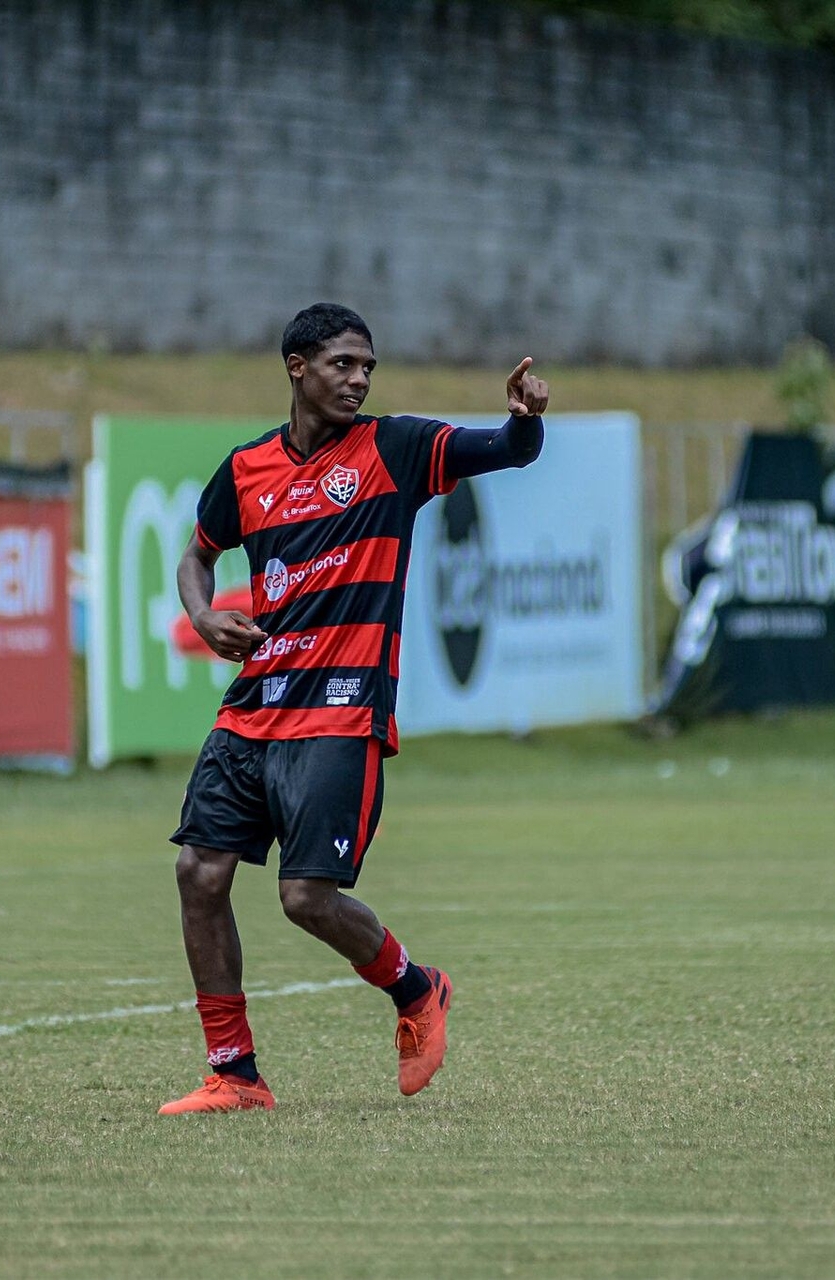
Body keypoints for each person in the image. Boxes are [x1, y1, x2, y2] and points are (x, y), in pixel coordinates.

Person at [162, 303, 548, 1114]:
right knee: (199, 872)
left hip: (341, 711)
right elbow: (197, 555)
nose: (359, 379)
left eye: (368, 367)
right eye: (343, 364)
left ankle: (417, 989)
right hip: (255, 706)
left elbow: (505, 451)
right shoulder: (246, 469)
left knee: (306, 898)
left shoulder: (394, 449)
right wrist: (202, 615)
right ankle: (235, 1074)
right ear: (297, 367)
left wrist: (523, 422)